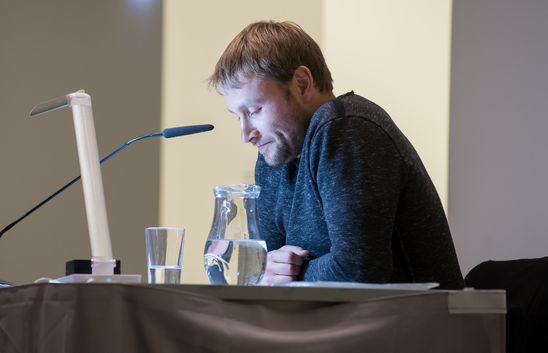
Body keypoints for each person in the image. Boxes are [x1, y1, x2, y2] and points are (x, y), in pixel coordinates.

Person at [208, 20, 464, 289]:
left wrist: (287, 275)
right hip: (338, 324)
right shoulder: (276, 154)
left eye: (254, 110)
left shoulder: (346, 127)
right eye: (237, 117)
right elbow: (265, 270)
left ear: (302, 83)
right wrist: (264, 272)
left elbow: (359, 269)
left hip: (418, 323)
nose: (246, 133)